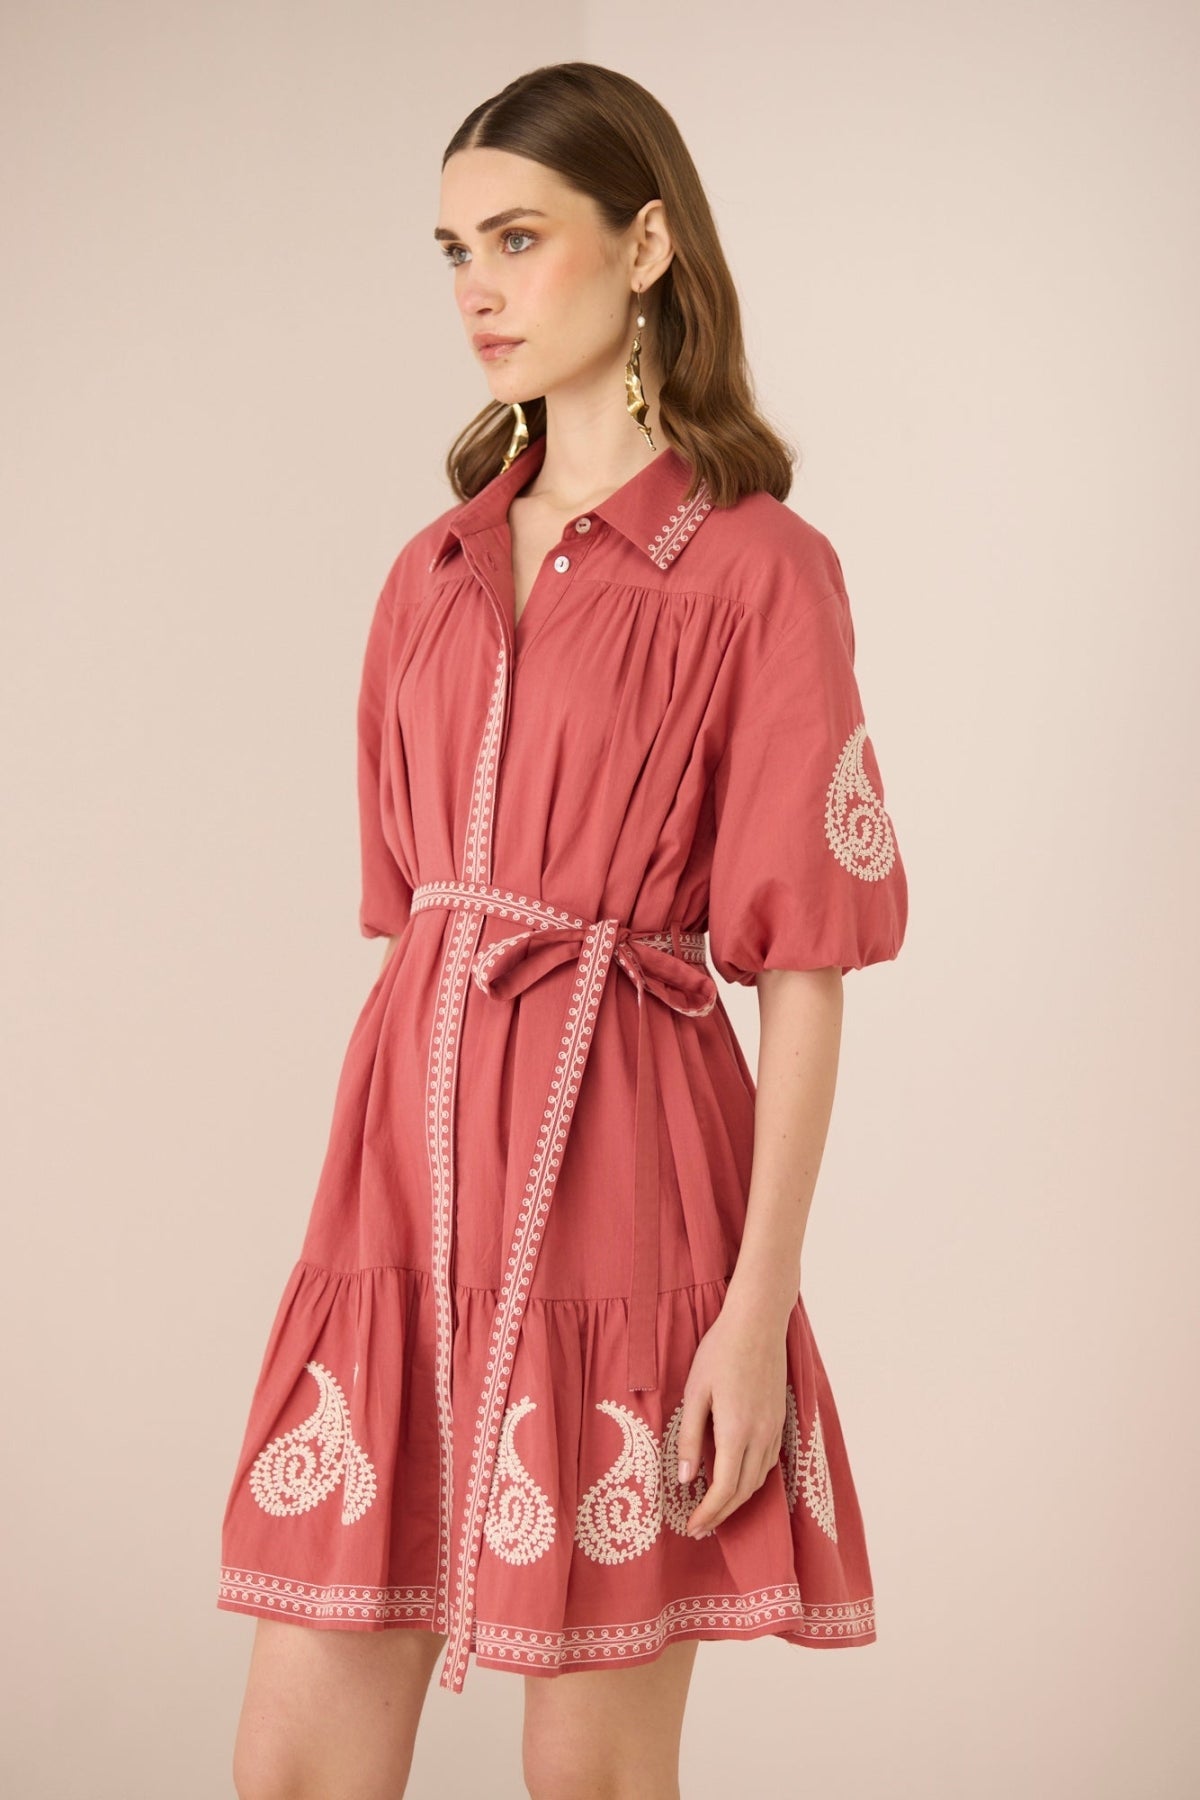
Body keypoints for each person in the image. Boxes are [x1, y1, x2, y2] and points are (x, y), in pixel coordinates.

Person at [219, 59, 908, 1800]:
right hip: (400, 1189)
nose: (478, 289)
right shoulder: (428, 575)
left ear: (648, 242)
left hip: (634, 1196)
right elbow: (412, 937)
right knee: (295, 1762)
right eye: (455, 249)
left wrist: (755, 1316)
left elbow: (804, 970)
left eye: (519, 239)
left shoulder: (761, 569)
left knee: (589, 1778)